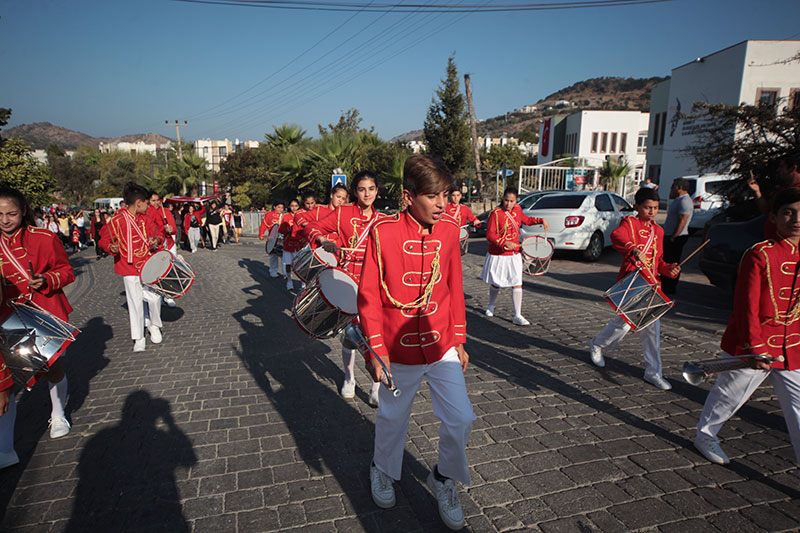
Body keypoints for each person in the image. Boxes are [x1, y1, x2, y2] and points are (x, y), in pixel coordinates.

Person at [358, 155, 474, 530]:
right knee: (393, 418)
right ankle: (383, 469)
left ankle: (442, 477)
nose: (443, 203)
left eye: (445, 195)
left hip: (441, 345)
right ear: (409, 197)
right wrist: (375, 351)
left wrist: (459, 338)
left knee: (461, 417)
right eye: (434, 196)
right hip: (397, 348)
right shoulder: (382, 234)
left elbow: (455, 287)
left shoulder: (448, 231)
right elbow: (369, 299)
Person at [693, 187, 800, 467]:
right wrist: (756, 348)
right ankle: (705, 435)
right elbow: (746, 307)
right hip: (754, 344)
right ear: (775, 217)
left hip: (793, 348)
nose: (796, 219)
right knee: (728, 394)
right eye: (788, 212)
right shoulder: (759, 254)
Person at [0, 186, 77, 468]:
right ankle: (5, 448)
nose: (5, 220)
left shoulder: (43, 238)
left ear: (23, 212)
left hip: (42, 314)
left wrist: (47, 280)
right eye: (0, 215)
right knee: (5, 385)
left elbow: (66, 270)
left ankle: (58, 413)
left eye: (11, 214)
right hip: (5, 318)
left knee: (51, 370)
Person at [305, 171, 385, 405]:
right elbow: (312, 227)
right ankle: (349, 378)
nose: (367, 193)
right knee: (350, 335)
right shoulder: (342, 214)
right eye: (362, 189)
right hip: (347, 280)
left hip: (374, 283)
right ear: (354, 192)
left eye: (371, 188)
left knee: (375, 335)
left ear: (377, 191)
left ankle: (376, 386)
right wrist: (323, 241)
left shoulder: (383, 220)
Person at [588, 187, 681, 390]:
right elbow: (616, 236)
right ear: (637, 207)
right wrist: (632, 248)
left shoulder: (658, 230)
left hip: (652, 285)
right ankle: (597, 344)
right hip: (633, 282)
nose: (652, 212)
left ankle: (653, 372)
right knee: (624, 325)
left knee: (651, 331)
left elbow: (659, 262)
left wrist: (669, 269)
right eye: (647, 207)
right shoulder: (629, 223)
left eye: (655, 208)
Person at [99, 182, 164, 353]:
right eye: (146, 203)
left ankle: (154, 325)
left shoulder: (146, 219)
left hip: (148, 265)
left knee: (155, 297)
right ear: (138, 203)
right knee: (134, 302)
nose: (148, 206)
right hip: (127, 267)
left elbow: (158, 234)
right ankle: (139, 337)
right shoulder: (117, 221)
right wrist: (110, 248)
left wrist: (156, 240)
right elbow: (104, 240)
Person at [481, 187, 548, 326]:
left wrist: (541, 220)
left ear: (516, 200)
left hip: (514, 253)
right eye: (506, 200)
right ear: (502, 199)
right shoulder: (496, 213)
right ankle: (491, 305)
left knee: (517, 282)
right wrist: (504, 242)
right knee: (496, 282)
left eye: (511, 201)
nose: (508, 204)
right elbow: (490, 235)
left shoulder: (518, 210)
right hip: (499, 254)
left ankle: (517, 315)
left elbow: (526, 220)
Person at [146, 192, 178, 308]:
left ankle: (169, 295)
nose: (156, 203)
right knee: (156, 272)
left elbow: (174, 229)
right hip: (154, 247)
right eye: (153, 201)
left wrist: (170, 229)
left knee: (170, 271)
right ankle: (156, 294)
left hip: (168, 244)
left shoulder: (166, 212)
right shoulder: (146, 212)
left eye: (157, 200)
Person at [661, 178, 692, 295]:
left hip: (676, 237)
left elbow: (683, 221)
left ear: (679, 187)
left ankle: (670, 287)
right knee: (667, 261)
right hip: (671, 235)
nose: (671, 189)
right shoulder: (678, 200)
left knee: (672, 262)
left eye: (673, 187)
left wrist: (674, 236)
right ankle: (665, 285)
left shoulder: (684, 201)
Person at [280, 199, 304, 291]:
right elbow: (281, 230)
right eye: (292, 206)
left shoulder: (302, 215)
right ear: (289, 207)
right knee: (288, 264)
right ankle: (289, 280)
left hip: (299, 244)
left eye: (296, 206)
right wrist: (288, 229)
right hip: (288, 244)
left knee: (301, 264)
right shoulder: (286, 217)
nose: (294, 208)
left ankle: (303, 283)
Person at [258, 202, 287, 278]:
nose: (280, 209)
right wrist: (261, 234)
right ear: (274, 207)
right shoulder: (269, 215)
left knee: (285, 256)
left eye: (282, 208)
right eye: (279, 207)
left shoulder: (285, 216)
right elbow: (264, 225)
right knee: (273, 256)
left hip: (284, 238)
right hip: (272, 238)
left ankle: (285, 273)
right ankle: (273, 272)